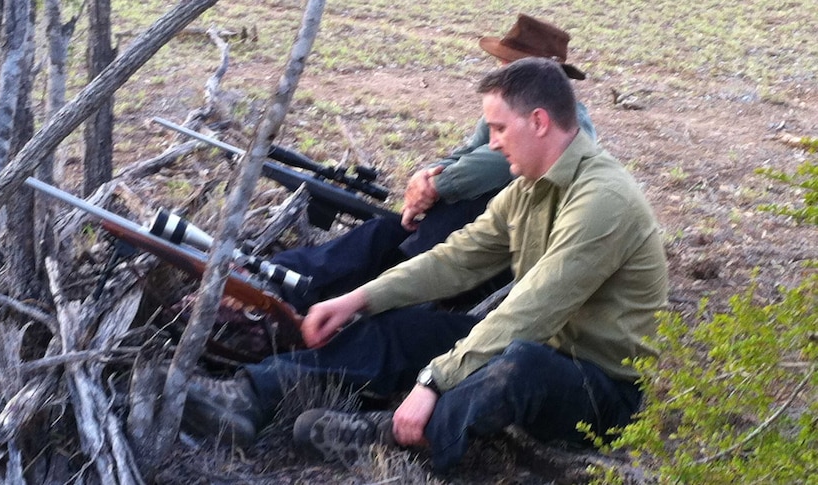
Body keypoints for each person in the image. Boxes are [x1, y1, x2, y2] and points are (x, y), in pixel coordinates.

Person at [183, 57, 669, 473]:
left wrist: (435, 379)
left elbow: (534, 308)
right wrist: (360, 297)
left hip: (601, 390)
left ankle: (388, 439)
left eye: (499, 128)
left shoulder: (603, 198)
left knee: (520, 365)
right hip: (536, 343)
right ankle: (250, 395)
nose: (494, 143)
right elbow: (455, 260)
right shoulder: (527, 188)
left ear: (539, 121)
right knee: (405, 328)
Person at [270, 14, 596, 311]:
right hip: (464, 227)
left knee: (410, 255)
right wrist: (425, 177)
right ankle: (283, 277)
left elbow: (493, 161)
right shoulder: (511, 103)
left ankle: (334, 307)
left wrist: (439, 185)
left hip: (501, 244)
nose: (499, 69)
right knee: (383, 233)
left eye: (508, 64)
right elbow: (467, 152)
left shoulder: (568, 119)